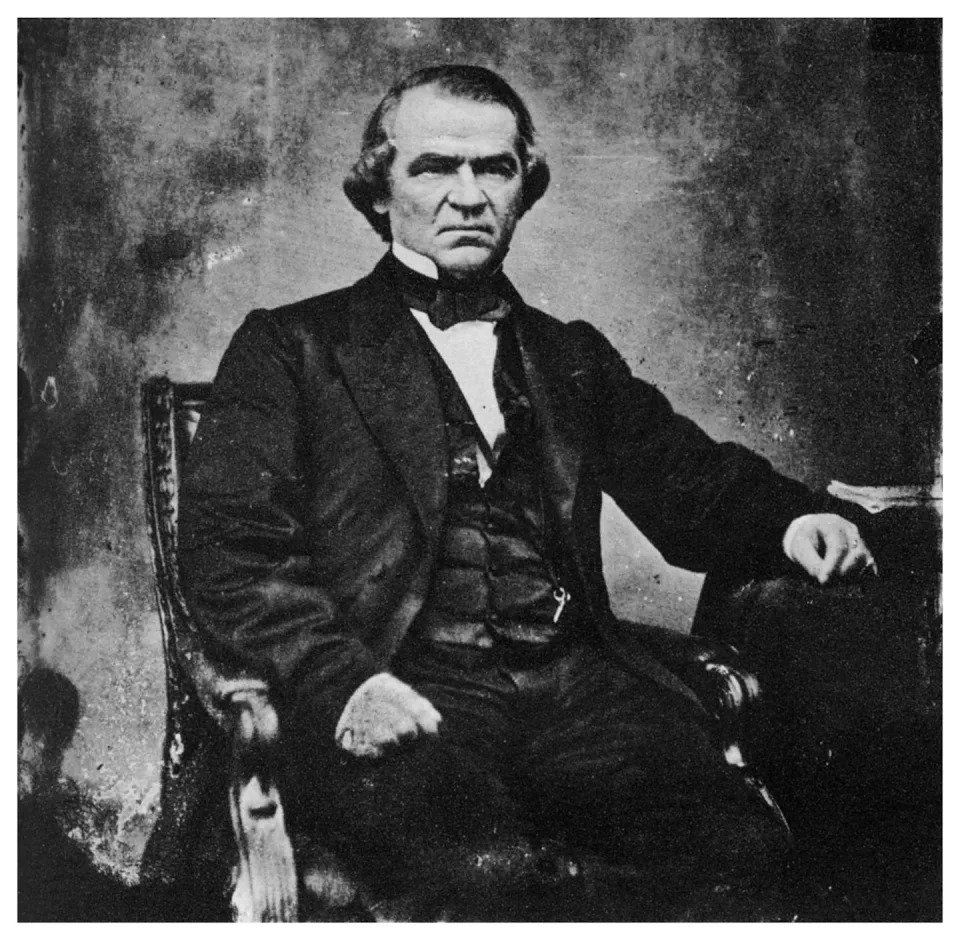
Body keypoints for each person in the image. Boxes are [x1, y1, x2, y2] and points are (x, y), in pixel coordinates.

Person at [179, 64, 876, 920]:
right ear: (379, 190)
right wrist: (345, 683)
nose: (467, 195)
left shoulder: (570, 354)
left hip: (577, 691)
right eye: (434, 167)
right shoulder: (292, 347)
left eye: (495, 169)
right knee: (487, 876)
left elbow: (688, 481)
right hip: (400, 686)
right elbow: (232, 555)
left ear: (523, 190)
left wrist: (795, 517)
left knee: (736, 850)